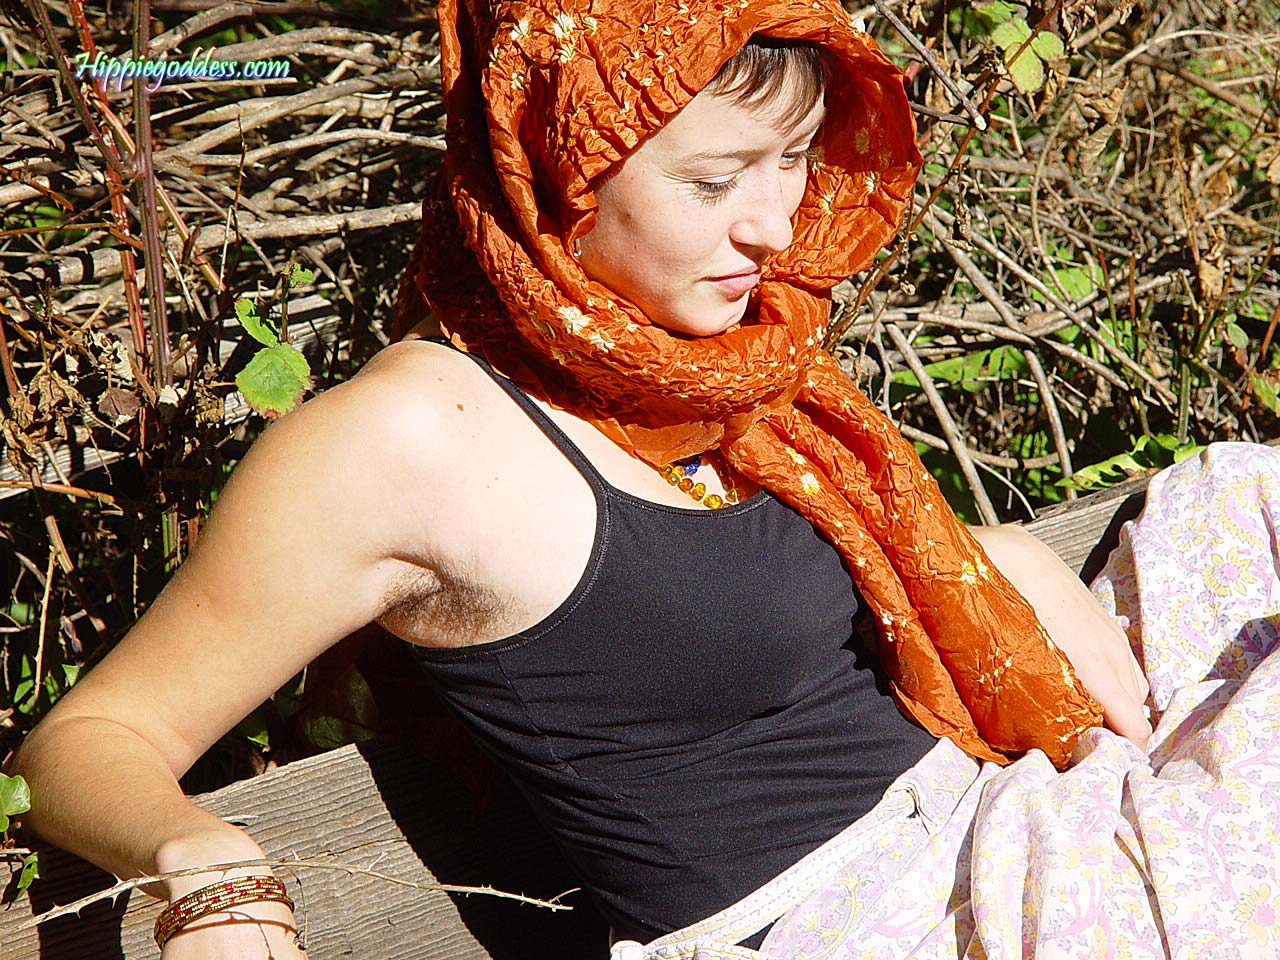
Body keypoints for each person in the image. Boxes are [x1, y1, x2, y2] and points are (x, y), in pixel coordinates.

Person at [11, 0, 1280, 956]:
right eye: (714, 180)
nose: (773, 227)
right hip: (873, 919)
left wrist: (987, 557)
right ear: (555, 172)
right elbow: (92, 738)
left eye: (791, 160)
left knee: (1247, 497)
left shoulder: (702, 361)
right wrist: (203, 862)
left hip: (1000, 825)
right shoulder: (406, 441)